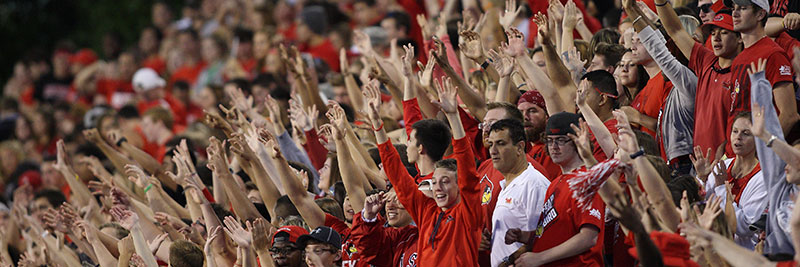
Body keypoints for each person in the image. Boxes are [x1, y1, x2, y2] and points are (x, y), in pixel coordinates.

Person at [369, 79, 483, 266]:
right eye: (435, 181)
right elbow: (396, 172)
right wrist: (376, 123)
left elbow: (467, 166)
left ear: (459, 185)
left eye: (445, 181)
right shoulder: (426, 210)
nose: (437, 188)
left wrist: (454, 116)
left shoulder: (467, 213)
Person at [507, 112, 605, 267]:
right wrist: (526, 236)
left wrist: (540, 257)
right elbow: (556, 231)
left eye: (561, 140)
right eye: (549, 141)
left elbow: (588, 238)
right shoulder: (556, 182)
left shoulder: (586, 180)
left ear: (577, 142)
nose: (554, 147)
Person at [486, 119, 550, 266]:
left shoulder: (534, 184)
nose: (493, 151)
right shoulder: (507, 183)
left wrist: (507, 262)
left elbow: (541, 239)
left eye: (501, 144)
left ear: (520, 147)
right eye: (491, 144)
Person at [698, 112, 767, 249]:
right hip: (713, 247)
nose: (738, 137)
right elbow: (699, 206)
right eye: (735, 131)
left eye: (746, 133)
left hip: (742, 254)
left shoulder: (763, 179)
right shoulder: (723, 166)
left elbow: (743, 227)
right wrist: (702, 179)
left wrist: (721, 189)